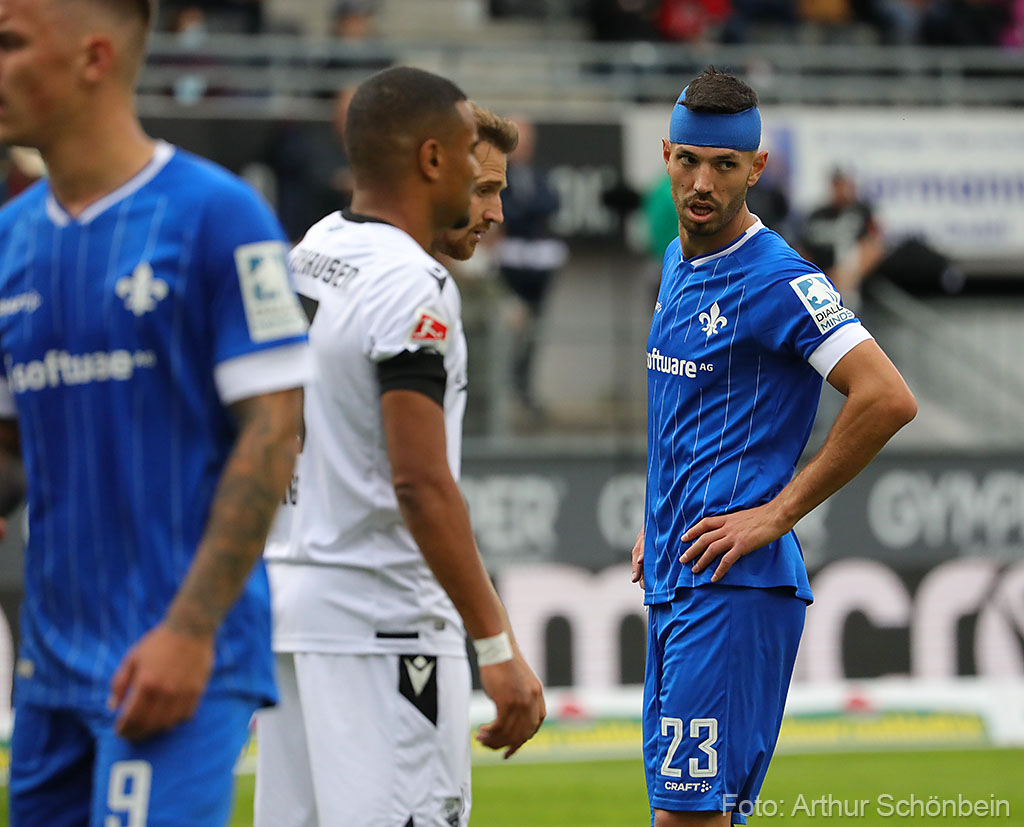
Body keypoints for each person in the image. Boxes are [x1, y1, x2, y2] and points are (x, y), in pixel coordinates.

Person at [0, 0, 310, 824]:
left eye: (8, 43)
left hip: (178, 657)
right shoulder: (10, 238)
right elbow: (11, 446)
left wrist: (190, 629)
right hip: (50, 673)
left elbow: (274, 431)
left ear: (93, 58)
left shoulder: (218, 216)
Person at [254, 68, 545, 827]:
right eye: (479, 178)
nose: (494, 209)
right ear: (432, 159)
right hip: (385, 620)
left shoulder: (313, 248)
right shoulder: (412, 285)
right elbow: (419, 482)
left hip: (292, 615)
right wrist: (496, 644)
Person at [630, 67, 917, 827]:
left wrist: (777, 513)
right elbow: (692, 414)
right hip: (679, 573)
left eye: (724, 165)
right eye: (689, 160)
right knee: (695, 814)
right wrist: (658, 518)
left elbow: (886, 396)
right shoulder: (677, 262)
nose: (702, 183)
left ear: (756, 168)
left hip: (733, 587)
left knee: (687, 818)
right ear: (665, 156)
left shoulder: (779, 279)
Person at [495, 116, 567, 421]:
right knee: (507, 333)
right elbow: (508, 211)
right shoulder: (498, 176)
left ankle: (524, 391)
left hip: (538, 268)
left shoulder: (540, 174)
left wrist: (527, 210)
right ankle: (501, 396)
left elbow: (550, 204)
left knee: (533, 335)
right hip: (507, 270)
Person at [798, 168, 883, 298]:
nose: (841, 190)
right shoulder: (817, 215)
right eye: (837, 185)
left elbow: (875, 245)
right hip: (821, 277)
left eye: (844, 184)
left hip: (853, 275)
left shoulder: (861, 211)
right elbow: (804, 250)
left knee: (866, 250)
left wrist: (844, 275)